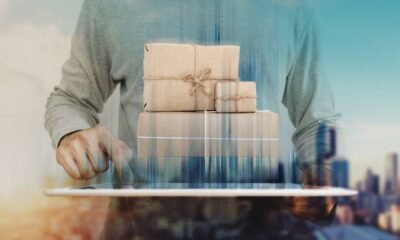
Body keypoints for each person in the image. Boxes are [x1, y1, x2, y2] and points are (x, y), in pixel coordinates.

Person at [45, 0, 339, 239]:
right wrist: (72, 133)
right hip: (140, 229)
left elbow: (317, 119)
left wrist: (320, 174)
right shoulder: (109, 5)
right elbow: (70, 99)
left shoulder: (293, 8)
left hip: (259, 229)